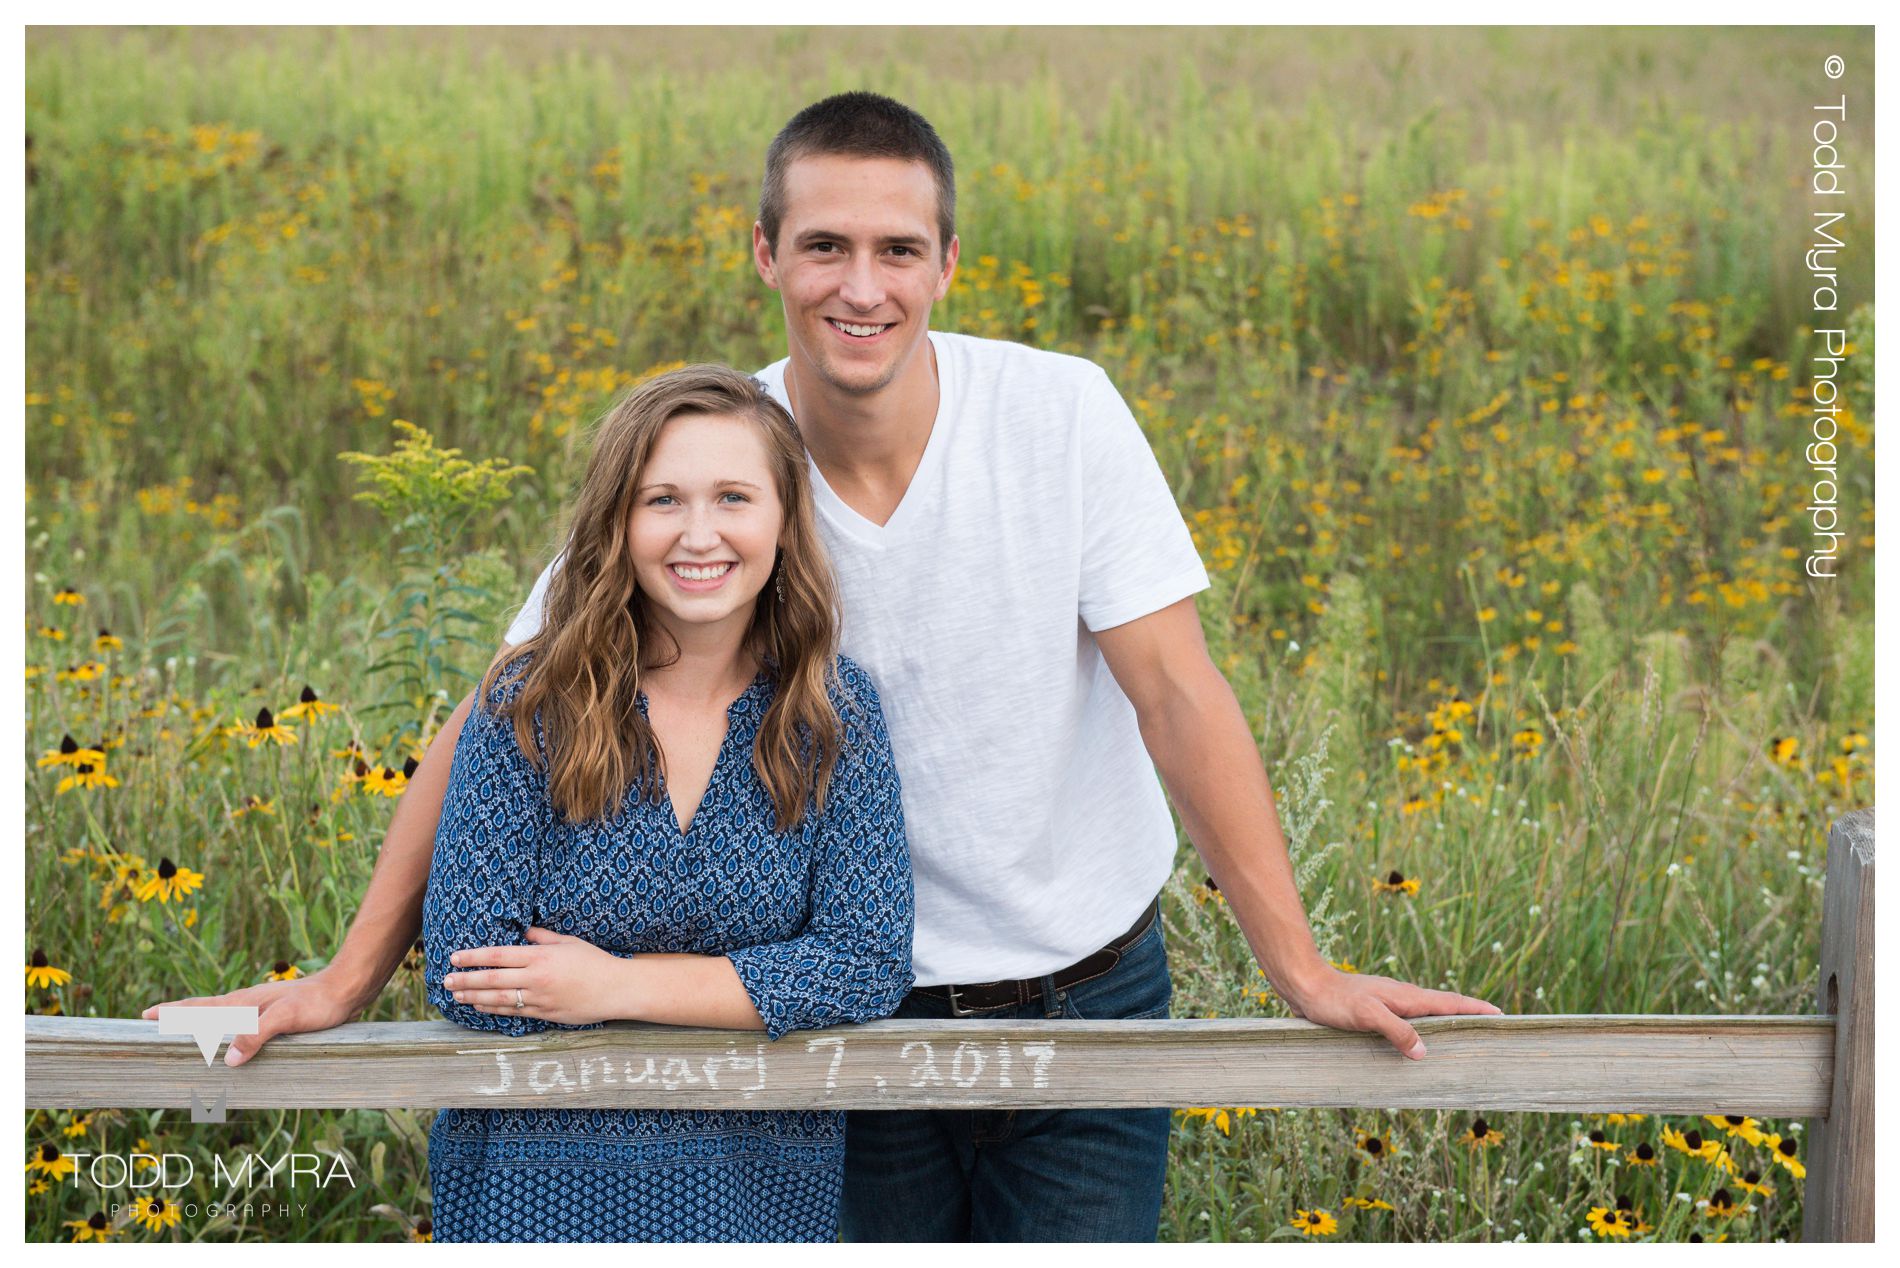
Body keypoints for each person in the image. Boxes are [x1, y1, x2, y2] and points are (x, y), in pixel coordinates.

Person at [149, 91, 1500, 1243]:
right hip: (841, 1016)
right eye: (825, 246)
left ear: (949, 263)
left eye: (898, 248)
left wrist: (1303, 972)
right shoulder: (719, 468)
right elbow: (503, 705)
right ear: (765, 254)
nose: (864, 285)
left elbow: (1177, 694)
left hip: (1085, 975)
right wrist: (342, 977)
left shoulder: (1060, 414)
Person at [409, 364, 907, 1240]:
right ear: (618, 521)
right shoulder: (532, 699)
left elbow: (866, 963)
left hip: (759, 1191)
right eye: (663, 500)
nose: (700, 534)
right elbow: (468, 967)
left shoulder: (832, 712)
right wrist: (755, 987)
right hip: (534, 1182)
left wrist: (607, 984)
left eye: (734, 499)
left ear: (785, 521)